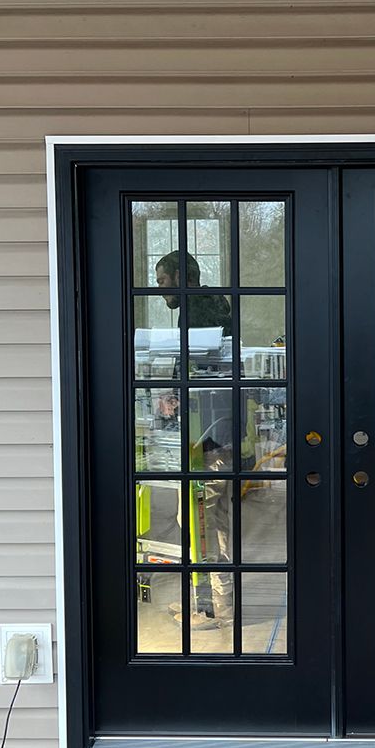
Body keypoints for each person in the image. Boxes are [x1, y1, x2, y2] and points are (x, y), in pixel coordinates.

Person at [155, 250, 233, 632]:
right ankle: (216, 599)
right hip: (219, 430)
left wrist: (172, 394)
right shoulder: (213, 303)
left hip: (207, 435)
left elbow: (195, 366)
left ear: (182, 278)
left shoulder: (196, 308)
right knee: (211, 515)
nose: (159, 290)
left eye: (163, 281)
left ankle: (214, 606)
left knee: (201, 516)